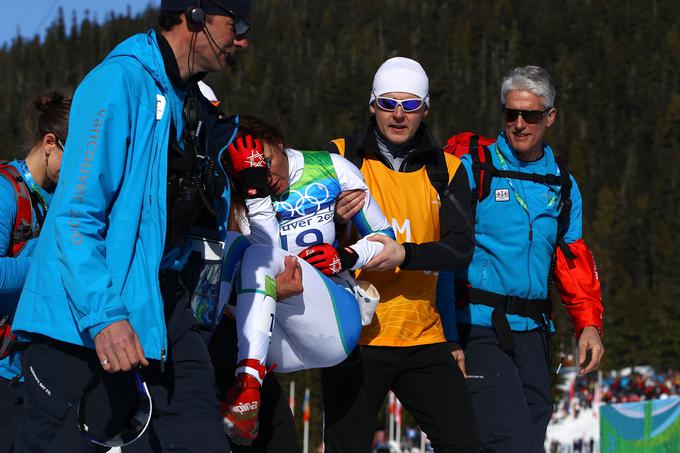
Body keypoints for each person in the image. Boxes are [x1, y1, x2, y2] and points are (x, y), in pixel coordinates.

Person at [11, 1, 253, 451]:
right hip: (80, 321)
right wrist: (105, 317)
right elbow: (74, 218)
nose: (242, 39)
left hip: (161, 306)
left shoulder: (193, 104)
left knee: (201, 438)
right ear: (195, 15)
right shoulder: (117, 83)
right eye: (236, 24)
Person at [321, 57, 480, 453]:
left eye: (409, 105)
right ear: (371, 104)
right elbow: (307, 241)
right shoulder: (340, 156)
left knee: (463, 444)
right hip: (355, 338)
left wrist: (403, 255)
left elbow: (460, 249)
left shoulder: (447, 169)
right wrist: (338, 223)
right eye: (388, 103)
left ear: (425, 109)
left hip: (421, 335)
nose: (398, 114)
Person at [445, 65, 604, 452]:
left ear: (549, 116)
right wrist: (448, 335)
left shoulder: (562, 184)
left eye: (530, 115)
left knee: (531, 432)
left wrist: (587, 323)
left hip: (534, 331)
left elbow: (571, 258)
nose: (519, 124)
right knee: (509, 439)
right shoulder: (475, 169)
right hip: (480, 325)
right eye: (510, 113)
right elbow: (445, 255)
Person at [218, 115, 395, 444]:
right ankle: (243, 390)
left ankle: (246, 388)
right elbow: (267, 260)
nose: (266, 175)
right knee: (233, 247)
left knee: (257, 257)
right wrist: (252, 191)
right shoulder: (246, 192)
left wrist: (346, 255)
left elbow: (388, 241)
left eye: (266, 161)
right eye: (252, 168)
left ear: (278, 142)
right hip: (274, 345)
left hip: (331, 325)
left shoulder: (330, 168)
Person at [0, 91, 70, 453]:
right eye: (72, 159)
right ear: (49, 143)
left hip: (30, 369)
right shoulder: (5, 189)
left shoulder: (56, 199)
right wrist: (41, 264)